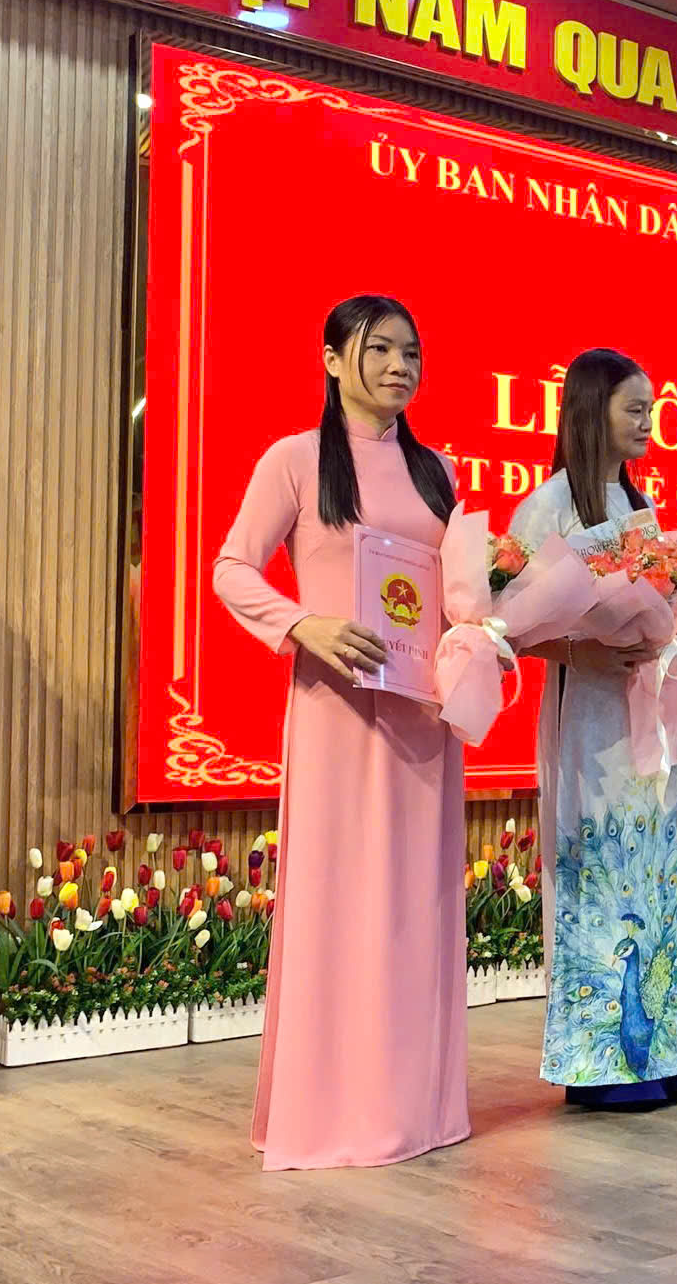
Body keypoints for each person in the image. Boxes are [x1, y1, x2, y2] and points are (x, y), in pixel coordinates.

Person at [212, 295, 467, 1170]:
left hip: (423, 716)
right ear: (331, 359)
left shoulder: (437, 471)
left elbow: (455, 593)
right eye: (380, 349)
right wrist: (301, 624)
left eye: (411, 352)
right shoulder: (294, 460)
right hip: (336, 712)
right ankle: (331, 1111)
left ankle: (417, 1107)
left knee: (416, 907)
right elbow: (231, 567)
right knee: (340, 901)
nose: (400, 366)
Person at [509, 348, 677, 1107]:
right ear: (590, 408)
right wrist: (585, 649)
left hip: (650, 717)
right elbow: (513, 628)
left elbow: (652, 611)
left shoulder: (638, 505)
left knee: (659, 872)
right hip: (591, 721)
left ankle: (673, 1051)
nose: (647, 422)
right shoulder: (546, 508)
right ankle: (603, 1065)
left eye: (651, 409)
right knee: (600, 867)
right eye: (635, 408)